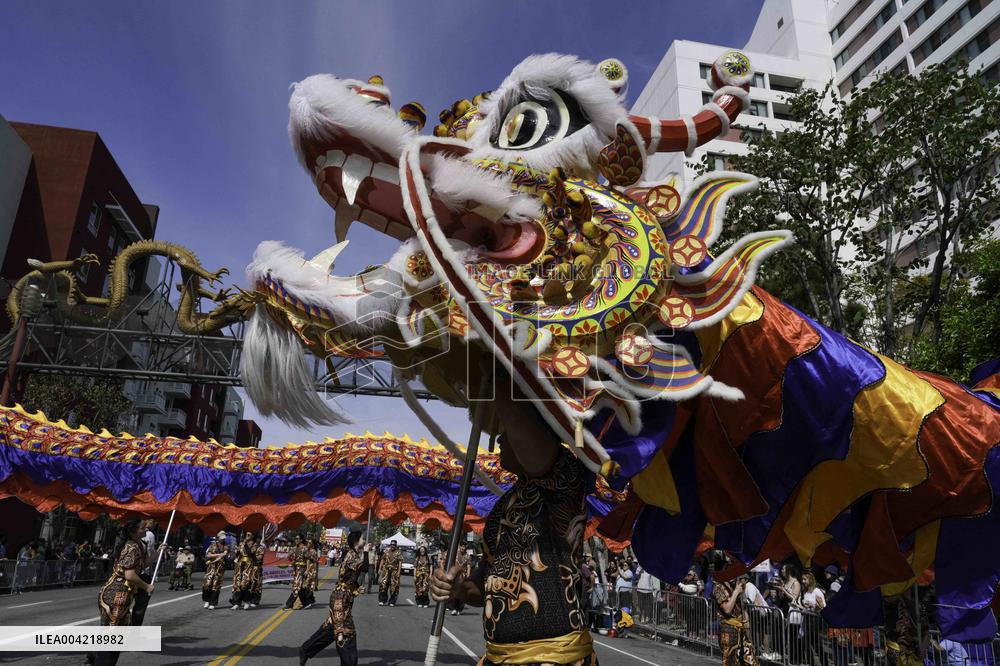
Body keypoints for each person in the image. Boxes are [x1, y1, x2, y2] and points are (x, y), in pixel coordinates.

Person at [430, 374, 596, 665]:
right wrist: (458, 588)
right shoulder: (502, 507)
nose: (501, 438)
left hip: (557, 659)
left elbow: (533, 445)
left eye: (506, 428)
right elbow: (482, 589)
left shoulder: (566, 477)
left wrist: (495, 368)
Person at [299, 530, 368, 665]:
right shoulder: (352, 555)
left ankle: (306, 649)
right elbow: (365, 568)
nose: (365, 541)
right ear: (356, 541)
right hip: (340, 599)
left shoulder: (353, 554)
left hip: (343, 597)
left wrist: (356, 588)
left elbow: (349, 577)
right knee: (345, 630)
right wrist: (366, 552)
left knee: (330, 629)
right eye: (363, 539)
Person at [92, 519, 155, 666]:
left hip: (122, 594)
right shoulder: (131, 547)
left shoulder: (137, 545)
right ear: (133, 531)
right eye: (142, 528)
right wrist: (146, 587)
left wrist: (158, 553)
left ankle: (93, 658)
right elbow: (130, 575)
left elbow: (142, 565)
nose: (146, 530)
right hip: (116, 595)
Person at [714, 573, 758, 666]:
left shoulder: (736, 585)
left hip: (741, 628)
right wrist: (736, 592)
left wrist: (747, 620)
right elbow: (727, 609)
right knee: (731, 660)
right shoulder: (718, 587)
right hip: (728, 629)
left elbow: (743, 606)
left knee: (750, 660)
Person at [231, 533, 260, 610]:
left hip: (248, 565)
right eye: (246, 534)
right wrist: (236, 551)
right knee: (237, 584)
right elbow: (238, 555)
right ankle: (236, 602)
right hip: (240, 565)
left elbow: (251, 554)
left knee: (244, 584)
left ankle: (247, 601)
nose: (246, 536)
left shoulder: (254, 544)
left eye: (249, 535)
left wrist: (245, 544)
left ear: (252, 536)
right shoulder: (241, 543)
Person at [285, 535, 315, 609]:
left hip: (302, 568)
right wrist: (291, 558)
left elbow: (308, 559)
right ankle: (306, 603)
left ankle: (289, 604)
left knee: (296, 586)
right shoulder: (294, 548)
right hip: (296, 569)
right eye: (295, 538)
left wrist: (307, 570)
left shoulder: (304, 548)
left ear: (301, 540)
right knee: (300, 588)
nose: (296, 540)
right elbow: (289, 557)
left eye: (297, 538)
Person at [202, 534, 227, 609]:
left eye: (223, 538)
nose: (222, 540)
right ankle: (207, 600)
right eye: (221, 538)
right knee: (207, 584)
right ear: (218, 538)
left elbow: (225, 554)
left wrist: (216, 555)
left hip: (219, 567)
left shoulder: (226, 546)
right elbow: (209, 555)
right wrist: (219, 554)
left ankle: (213, 603)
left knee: (216, 585)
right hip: (211, 567)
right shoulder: (212, 545)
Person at [377, 540, 401, 607]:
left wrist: (399, 571)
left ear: (396, 546)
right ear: (390, 545)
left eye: (394, 545)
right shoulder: (386, 551)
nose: (392, 546)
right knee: (383, 585)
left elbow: (400, 562)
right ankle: (382, 600)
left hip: (394, 571)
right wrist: (379, 568)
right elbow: (382, 560)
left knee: (394, 587)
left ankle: (392, 601)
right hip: (386, 571)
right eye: (392, 544)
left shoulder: (398, 552)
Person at [249, 536, 267, 607]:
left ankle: (256, 600)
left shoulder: (261, 547)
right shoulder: (252, 546)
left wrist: (252, 556)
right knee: (250, 584)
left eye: (259, 539)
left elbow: (259, 557)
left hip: (258, 567)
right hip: (250, 567)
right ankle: (250, 599)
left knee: (257, 584)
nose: (258, 540)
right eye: (257, 538)